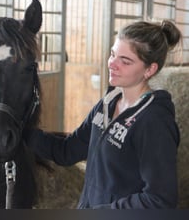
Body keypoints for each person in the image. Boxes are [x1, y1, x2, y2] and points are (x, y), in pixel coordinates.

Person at [25, 20, 182, 209]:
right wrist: (22, 132)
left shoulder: (154, 121)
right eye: (113, 54)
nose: (112, 64)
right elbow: (67, 151)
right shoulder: (108, 103)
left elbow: (159, 200)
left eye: (125, 61)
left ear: (150, 69)